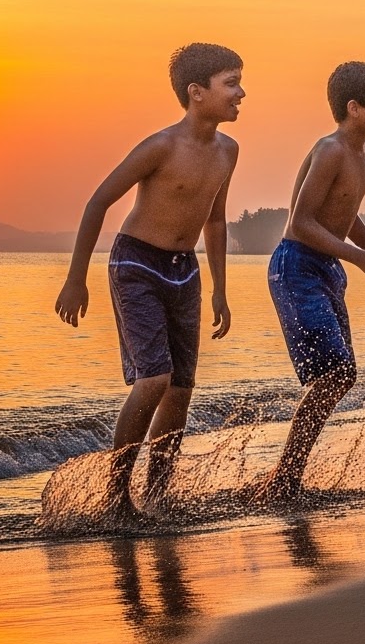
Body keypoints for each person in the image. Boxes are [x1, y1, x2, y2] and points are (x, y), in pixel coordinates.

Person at [54, 42, 243, 516]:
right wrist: (76, 279)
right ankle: (116, 497)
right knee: (153, 378)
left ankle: (157, 495)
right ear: (197, 92)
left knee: (180, 389)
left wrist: (220, 288)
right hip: (136, 263)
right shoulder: (161, 146)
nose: (242, 92)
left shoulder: (228, 150)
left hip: (185, 270)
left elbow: (215, 221)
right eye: (232, 83)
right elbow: (98, 202)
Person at [254, 61, 365, 503]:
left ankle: (285, 475)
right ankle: (283, 478)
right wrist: (363, 260)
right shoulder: (329, 150)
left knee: (341, 375)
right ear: (354, 107)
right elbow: (301, 224)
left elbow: (346, 216)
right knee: (334, 372)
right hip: (296, 266)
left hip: (328, 267)